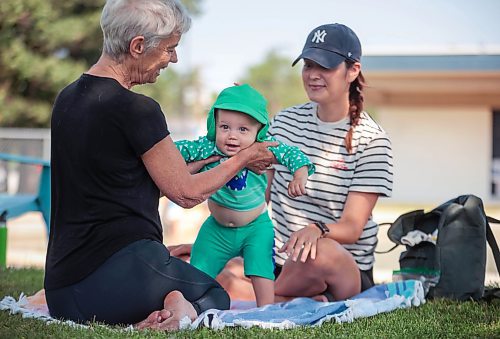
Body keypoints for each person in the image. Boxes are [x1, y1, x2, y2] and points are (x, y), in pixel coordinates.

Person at [43, 0, 277, 331]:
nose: (174, 59)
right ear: (138, 46)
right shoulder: (137, 109)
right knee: (214, 293)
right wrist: (243, 158)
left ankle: (148, 312)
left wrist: (204, 163)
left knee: (176, 265)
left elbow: (118, 185)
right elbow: (185, 194)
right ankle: (175, 305)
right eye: (169, 49)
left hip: (62, 291)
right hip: (116, 278)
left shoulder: (67, 99)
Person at [170, 23, 393, 303]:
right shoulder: (286, 121)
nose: (313, 75)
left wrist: (316, 230)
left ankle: (267, 293)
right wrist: (220, 244)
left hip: (340, 266)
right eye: (308, 65)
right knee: (221, 275)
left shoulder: (373, 141)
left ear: (353, 70)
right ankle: (289, 299)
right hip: (282, 262)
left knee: (319, 252)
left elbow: (352, 227)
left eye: (325, 67)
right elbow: (258, 194)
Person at [175, 84, 315, 306]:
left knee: (262, 271)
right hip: (216, 229)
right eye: (225, 127)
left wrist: (300, 175)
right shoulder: (208, 147)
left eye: (243, 130)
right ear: (214, 125)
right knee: (197, 271)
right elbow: (176, 151)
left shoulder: (261, 148)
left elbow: (292, 154)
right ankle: (187, 306)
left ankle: (266, 311)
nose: (232, 136)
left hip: (255, 227)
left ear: (258, 131)